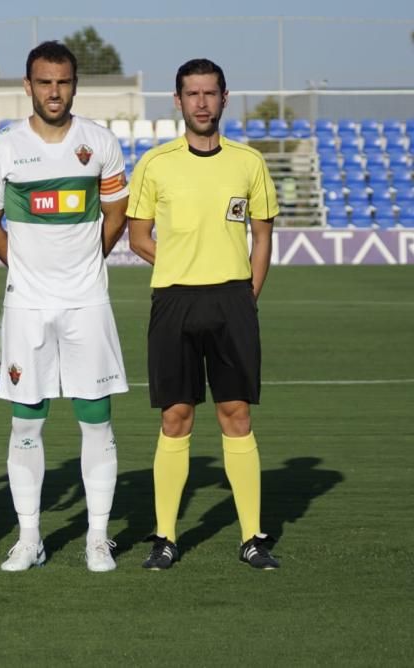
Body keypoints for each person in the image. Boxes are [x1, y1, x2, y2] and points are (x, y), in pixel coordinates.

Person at [0, 41, 130, 573]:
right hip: (28, 305)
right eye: (44, 82)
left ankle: (97, 537)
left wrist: (88, 260)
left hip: (87, 300)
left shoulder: (100, 143)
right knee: (26, 422)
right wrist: (22, 265)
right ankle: (30, 537)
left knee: (96, 420)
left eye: (62, 82)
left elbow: (117, 213)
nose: (54, 91)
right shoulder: (2, 149)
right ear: (28, 86)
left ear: (75, 85)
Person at [126, 58, 280, 570]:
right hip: (173, 300)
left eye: (209, 93)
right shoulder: (155, 163)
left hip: (232, 301)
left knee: (236, 414)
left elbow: (262, 238)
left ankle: (252, 537)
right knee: (176, 416)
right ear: (177, 101)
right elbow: (138, 235)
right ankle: (165, 537)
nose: (201, 103)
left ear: (223, 98)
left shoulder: (248, 162)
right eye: (191, 94)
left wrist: (246, 296)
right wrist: (176, 263)